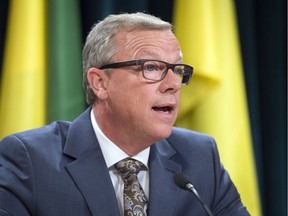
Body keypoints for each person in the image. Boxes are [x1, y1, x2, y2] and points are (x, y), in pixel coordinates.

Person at [0, 12, 250, 216]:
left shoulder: (199, 157)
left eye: (177, 69)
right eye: (151, 67)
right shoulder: (30, 160)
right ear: (100, 83)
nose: (173, 83)